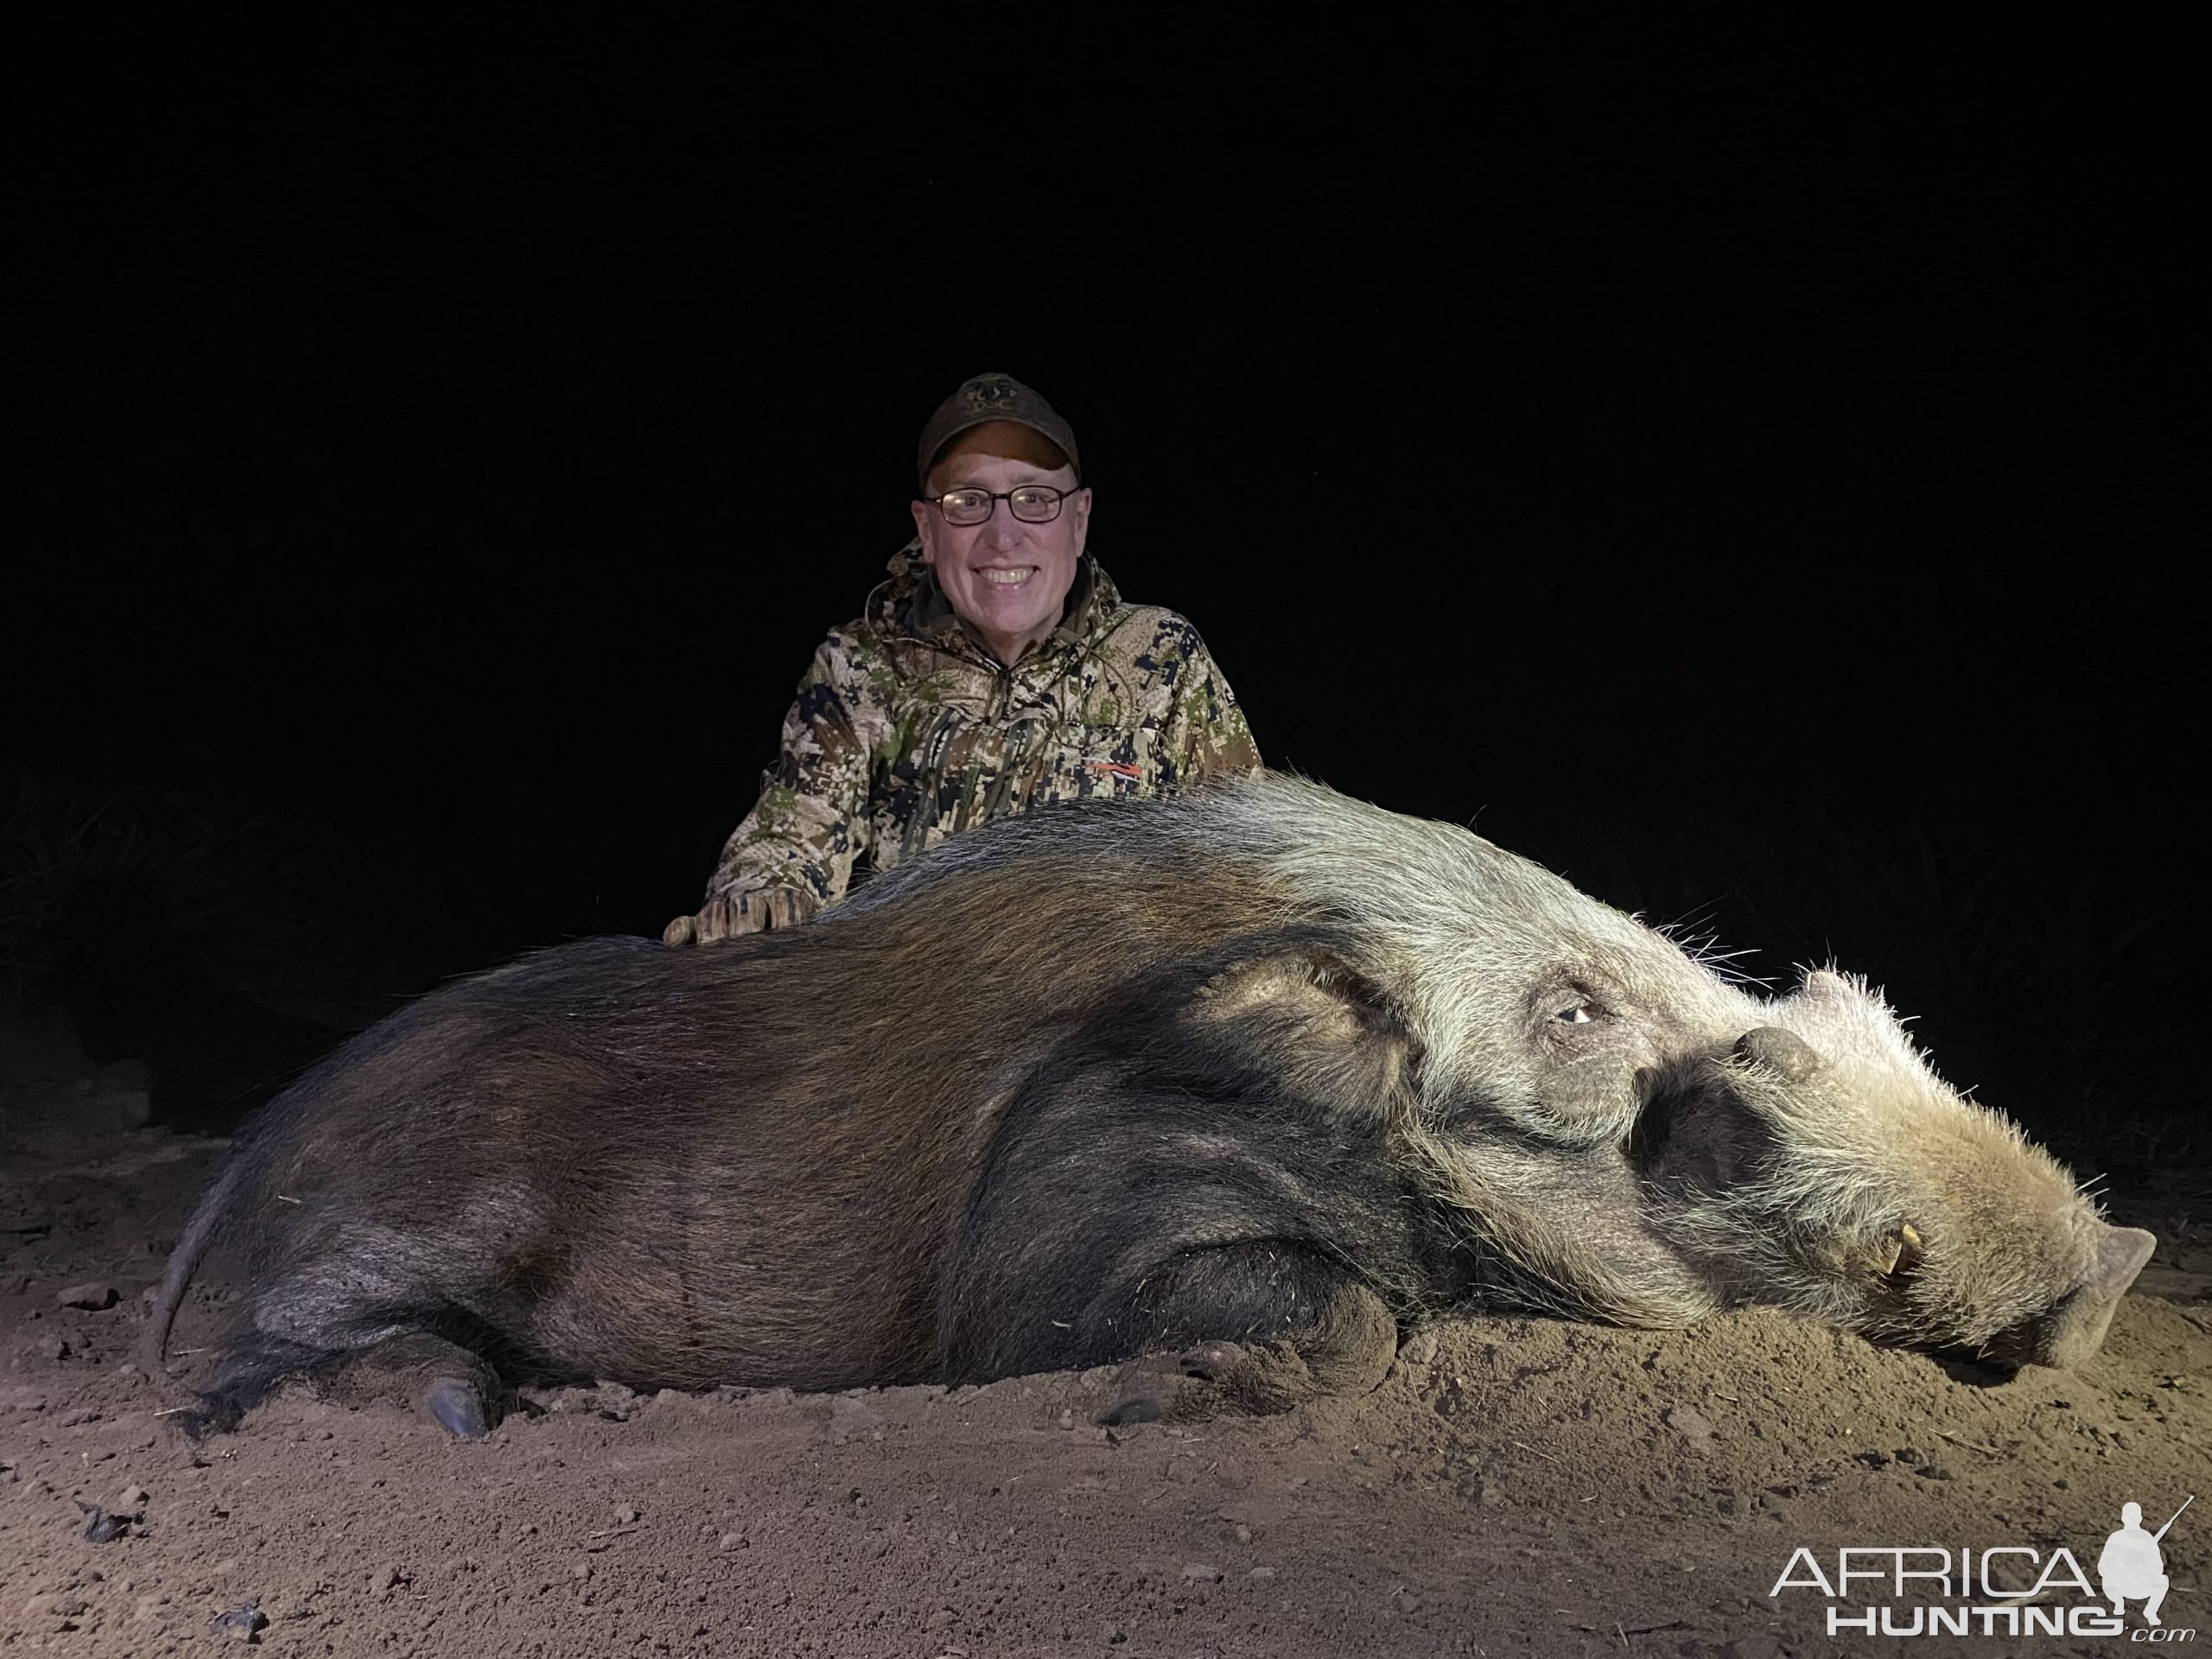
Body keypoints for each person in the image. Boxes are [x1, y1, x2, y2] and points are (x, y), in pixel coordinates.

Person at [664, 372, 1260, 943]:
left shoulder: (1161, 656)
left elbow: (1246, 855)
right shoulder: (864, 663)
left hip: (1103, 1027)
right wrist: (760, 899)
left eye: (1035, 498)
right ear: (927, 530)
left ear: (1079, 522)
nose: (1004, 536)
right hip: (916, 1018)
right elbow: (791, 837)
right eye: (968, 501)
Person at [2098, 1502, 2171, 1625]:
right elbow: (2159, 1568)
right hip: (2140, 1588)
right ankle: (2151, 1611)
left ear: (2122, 1518)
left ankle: (2118, 1602)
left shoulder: (2115, 1537)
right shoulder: (2146, 1538)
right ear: (2140, 1519)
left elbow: (2103, 1567)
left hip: (2118, 1588)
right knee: (2163, 1581)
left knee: (2106, 1579)